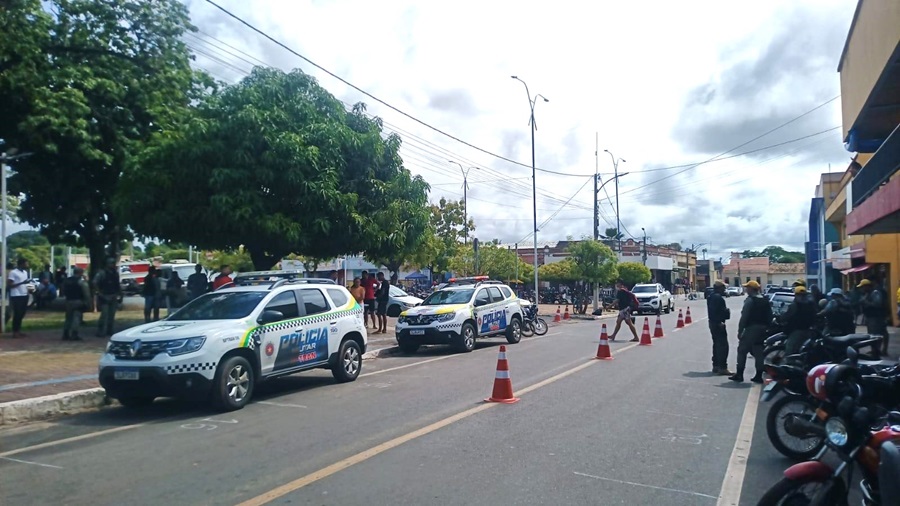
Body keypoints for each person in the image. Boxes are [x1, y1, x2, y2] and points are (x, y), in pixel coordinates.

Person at [730, 281, 771, 383]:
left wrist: (740, 331)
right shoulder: (765, 300)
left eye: (747, 288)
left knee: (742, 350)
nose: (746, 290)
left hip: (752, 328)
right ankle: (758, 375)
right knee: (758, 352)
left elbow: (744, 317)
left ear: (752, 289)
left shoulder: (750, 301)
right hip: (763, 328)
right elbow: (770, 316)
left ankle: (739, 374)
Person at [780, 285, 818, 356]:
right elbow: (814, 315)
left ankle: (788, 363)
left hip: (797, 330)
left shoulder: (795, 305)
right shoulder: (811, 304)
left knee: (789, 348)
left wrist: (781, 319)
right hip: (808, 330)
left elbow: (787, 315)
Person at [707, 280, 732, 375]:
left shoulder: (711, 296)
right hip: (718, 323)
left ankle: (716, 365)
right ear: (719, 288)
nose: (724, 289)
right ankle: (722, 367)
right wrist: (720, 321)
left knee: (716, 344)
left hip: (713, 323)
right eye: (723, 287)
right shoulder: (718, 298)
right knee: (723, 346)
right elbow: (716, 312)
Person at [858, 279, 888, 355]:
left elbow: (877, 304)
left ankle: (877, 350)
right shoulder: (868, 293)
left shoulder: (875, 292)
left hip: (875, 317)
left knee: (876, 334)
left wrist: (865, 302)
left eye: (863, 287)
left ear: (867, 286)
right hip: (871, 316)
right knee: (873, 334)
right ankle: (875, 350)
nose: (861, 289)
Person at [93, 257, 121, 338]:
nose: (113, 265)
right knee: (104, 315)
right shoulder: (102, 273)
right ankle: (101, 331)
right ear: (107, 264)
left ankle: (110, 330)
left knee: (112, 315)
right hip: (104, 296)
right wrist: (99, 293)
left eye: (113, 263)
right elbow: (94, 283)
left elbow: (117, 285)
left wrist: (120, 294)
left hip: (113, 295)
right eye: (111, 263)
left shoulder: (115, 273)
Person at [62, 267, 92, 341]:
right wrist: (88, 303)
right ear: (80, 273)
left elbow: (63, 290)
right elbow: (86, 294)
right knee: (76, 317)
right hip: (78, 301)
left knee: (68, 318)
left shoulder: (67, 280)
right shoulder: (81, 282)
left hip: (68, 301)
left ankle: (65, 334)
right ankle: (74, 334)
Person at [6, 258, 31, 338]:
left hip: (24, 294)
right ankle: (15, 331)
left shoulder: (25, 273)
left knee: (22, 313)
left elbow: (26, 283)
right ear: (21, 264)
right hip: (16, 295)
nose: (27, 265)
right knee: (17, 313)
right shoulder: (13, 273)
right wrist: (22, 283)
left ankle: (18, 330)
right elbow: (10, 284)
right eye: (26, 263)